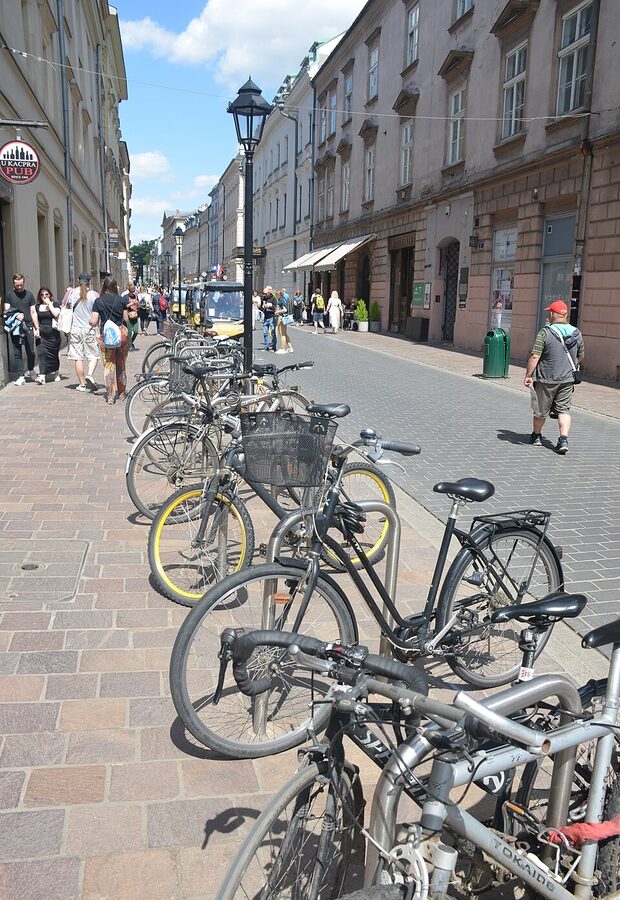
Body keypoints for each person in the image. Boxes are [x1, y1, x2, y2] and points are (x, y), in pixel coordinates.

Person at [524, 299, 585, 455]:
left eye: (549, 313)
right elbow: (581, 356)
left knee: (540, 410)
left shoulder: (545, 332)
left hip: (545, 378)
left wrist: (528, 375)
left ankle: (537, 436)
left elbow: (534, 356)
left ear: (552, 314)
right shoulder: (577, 333)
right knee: (564, 410)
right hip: (567, 379)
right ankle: (563, 439)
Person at [90, 276, 129, 405]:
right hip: (121, 335)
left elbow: (94, 321)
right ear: (115, 286)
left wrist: (90, 322)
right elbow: (126, 319)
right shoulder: (121, 300)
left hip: (106, 337)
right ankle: (122, 392)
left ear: (104, 286)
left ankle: (111, 395)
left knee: (109, 365)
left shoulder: (98, 301)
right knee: (121, 364)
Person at [4, 273, 39, 384]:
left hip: (28, 325)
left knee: (31, 351)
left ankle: (31, 370)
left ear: (23, 283)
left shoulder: (29, 295)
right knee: (17, 351)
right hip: (15, 326)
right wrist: (15, 315)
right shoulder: (9, 294)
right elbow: (6, 310)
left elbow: (33, 312)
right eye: (17, 285)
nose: (19, 287)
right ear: (13, 283)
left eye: (21, 284)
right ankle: (21, 376)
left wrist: (36, 327)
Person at [67, 273, 100, 393]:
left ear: (78, 280)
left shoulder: (71, 293)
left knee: (78, 357)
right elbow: (98, 313)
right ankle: (90, 375)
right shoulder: (94, 295)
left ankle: (81, 384)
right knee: (93, 356)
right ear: (89, 282)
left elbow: (64, 306)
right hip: (89, 329)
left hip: (75, 329)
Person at [33, 288, 61, 383]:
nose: (44, 296)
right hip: (42, 335)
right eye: (42, 295)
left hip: (53, 334)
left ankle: (56, 372)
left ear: (50, 295)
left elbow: (56, 314)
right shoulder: (37, 307)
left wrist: (49, 304)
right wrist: (36, 330)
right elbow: (34, 320)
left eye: (46, 294)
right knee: (42, 354)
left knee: (53, 355)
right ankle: (42, 376)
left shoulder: (55, 304)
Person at [261, 286, 277, 351]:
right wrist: (261, 307)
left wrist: (269, 306)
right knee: (265, 332)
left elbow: (275, 307)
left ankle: (274, 345)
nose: (264, 295)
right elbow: (261, 307)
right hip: (266, 316)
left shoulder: (273, 298)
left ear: (269, 292)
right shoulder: (264, 298)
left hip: (272, 317)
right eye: (263, 293)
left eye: (265, 293)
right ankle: (266, 346)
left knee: (273, 332)